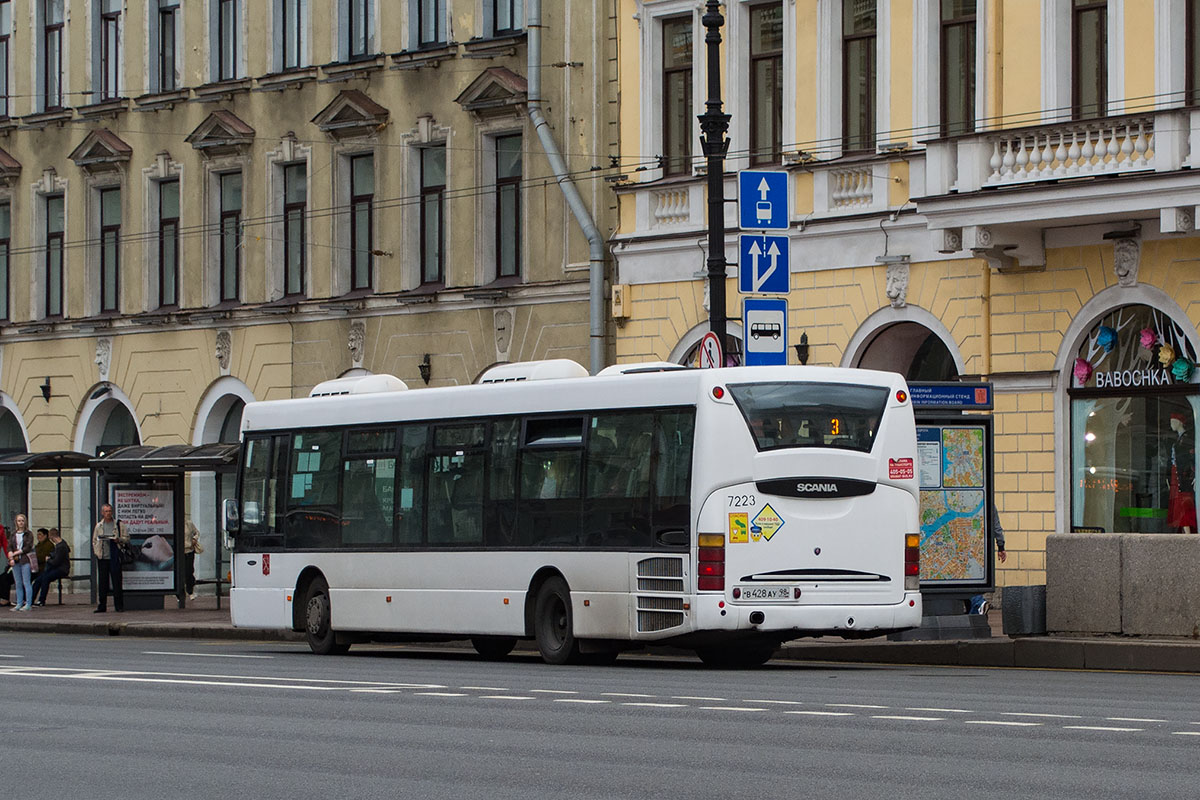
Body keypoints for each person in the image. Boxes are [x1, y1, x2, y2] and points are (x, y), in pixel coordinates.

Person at [91, 504, 129, 613]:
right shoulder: (99, 526)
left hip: (115, 556)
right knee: (103, 582)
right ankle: (102, 605)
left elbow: (127, 538)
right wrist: (97, 553)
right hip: (103, 556)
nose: (108, 513)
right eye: (106, 511)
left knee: (117, 581)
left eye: (110, 511)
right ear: (102, 513)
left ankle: (119, 606)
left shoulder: (118, 524)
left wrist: (119, 540)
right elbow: (95, 540)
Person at [970, 505, 1007, 615]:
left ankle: (979, 603)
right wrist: (1001, 547)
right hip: (981, 550)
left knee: (966, 582)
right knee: (971, 581)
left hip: (964, 548)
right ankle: (976, 611)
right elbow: (996, 526)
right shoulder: (987, 502)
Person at [1166, 412, 1196, 533]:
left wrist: (1194, 475)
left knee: (1184, 503)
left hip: (1184, 477)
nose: (1171, 424)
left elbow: (1191, 458)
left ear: (1179, 422)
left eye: (1173, 421)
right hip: (1176, 475)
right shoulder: (1177, 440)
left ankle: (1188, 533)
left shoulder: (1187, 439)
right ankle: (1184, 531)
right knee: (1179, 503)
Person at [30, 528, 70, 607]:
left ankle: (41, 600)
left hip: (61, 569)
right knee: (38, 580)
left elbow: (56, 562)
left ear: (52, 537)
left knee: (46, 578)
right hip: (56, 568)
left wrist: (48, 560)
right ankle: (31, 600)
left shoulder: (61, 546)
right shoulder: (60, 545)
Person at [6, 513, 34, 611]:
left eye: (22, 520)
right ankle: (19, 603)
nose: (21, 522)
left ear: (25, 522)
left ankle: (28, 604)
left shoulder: (28, 533)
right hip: (15, 560)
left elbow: (28, 546)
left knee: (26, 582)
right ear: (16, 522)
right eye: (19, 521)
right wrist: (11, 556)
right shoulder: (13, 534)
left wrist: (17, 552)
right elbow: (9, 546)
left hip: (25, 559)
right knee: (18, 583)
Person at [184, 519, 203, 600]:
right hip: (179, 551)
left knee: (189, 571)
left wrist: (194, 539)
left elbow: (196, 532)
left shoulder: (189, 523)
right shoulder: (173, 523)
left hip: (189, 550)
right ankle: (180, 594)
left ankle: (190, 591)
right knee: (180, 572)